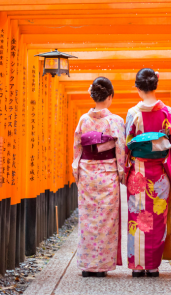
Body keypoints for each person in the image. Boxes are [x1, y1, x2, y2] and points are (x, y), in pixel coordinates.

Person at [124, 68, 171, 278]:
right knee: (157, 218)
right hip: (159, 175)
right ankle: (153, 266)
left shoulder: (133, 113)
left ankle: (137, 266)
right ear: (156, 85)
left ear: (138, 88)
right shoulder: (168, 112)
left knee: (137, 216)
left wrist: (124, 170)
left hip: (138, 173)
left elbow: (127, 144)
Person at [72, 77, 125, 277]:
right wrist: (122, 173)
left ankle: (87, 265)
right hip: (108, 172)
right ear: (110, 97)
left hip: (86, 172)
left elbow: (77, 147)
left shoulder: (83, 120)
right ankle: (101, 266)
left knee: (87, 217)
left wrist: (76, 170)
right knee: (106, 218)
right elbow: (120, 149)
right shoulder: (116, 121)